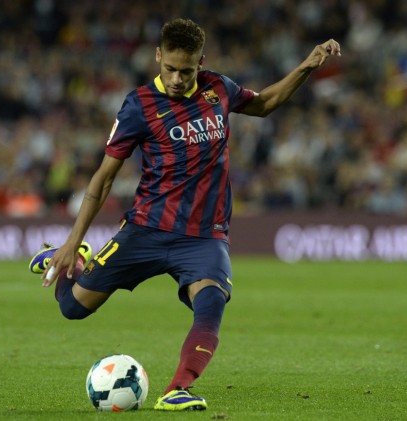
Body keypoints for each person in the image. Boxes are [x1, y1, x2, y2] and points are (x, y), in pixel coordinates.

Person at [28, 18, 340, 411]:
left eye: (186, 70)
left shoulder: (218, 88)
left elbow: (265, 103)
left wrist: (307, 65)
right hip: (145, 230)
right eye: (170, 69)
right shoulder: (138, 105)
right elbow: (104, 178)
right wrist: (73, 243)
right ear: (158, 57)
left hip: (203, 237)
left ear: (200, 63)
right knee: (72, 309)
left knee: (212, 302)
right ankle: (69, 261)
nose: (177, 79)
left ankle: (178, 388)